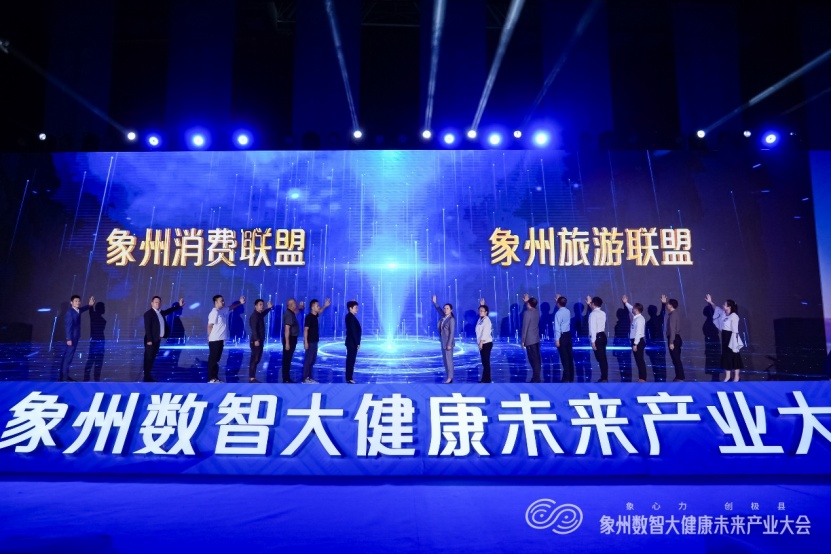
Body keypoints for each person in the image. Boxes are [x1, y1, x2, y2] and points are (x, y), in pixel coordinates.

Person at [143, 296, 185, 382]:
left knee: (152, 358)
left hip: (157, 340)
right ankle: (147, 377)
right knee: (148, 358)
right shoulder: (148, 314)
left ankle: (148, 376)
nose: (157, 304)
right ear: (152, 303)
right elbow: (148, 328)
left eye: (159, 302)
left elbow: (169, 311)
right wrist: (149, 340)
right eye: (156, 302)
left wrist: (179, 306)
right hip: (151, 341)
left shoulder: (161, 313)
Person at [206, 294, 245, 383]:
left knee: (216, 359)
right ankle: (211, 378)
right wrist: (209, 337)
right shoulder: (214, 312)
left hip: (220, 339)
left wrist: (240, 303)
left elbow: (230, 307)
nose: (223, 302)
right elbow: (209, 326)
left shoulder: (222, 310)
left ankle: (215, 378)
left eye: (223, 300)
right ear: (216, 302)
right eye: (221, 301)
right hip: (215, 339)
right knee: (213, 359)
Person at [60, 294, 95, 381]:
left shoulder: (77, 310)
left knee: (69, 357)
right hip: (71, 339)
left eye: (79, 301)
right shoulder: (70, 312)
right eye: (76, 301)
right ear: (71, 302)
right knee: (68, 358)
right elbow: (68, 326)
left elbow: (83, 309)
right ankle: (64, 378)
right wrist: (69, 339)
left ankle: (64, 376)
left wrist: (90, 305)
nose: (78, 302)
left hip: (75, 337)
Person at [302, 298, 331, 384]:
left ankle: (309, 377)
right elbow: (305, 330)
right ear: (312, 307)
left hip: (315, 341)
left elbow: (320, 311)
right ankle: (305, 378)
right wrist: (306, 342)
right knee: (308, 360)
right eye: (317, 305)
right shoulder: (309, 317)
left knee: (312, 360)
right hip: (310, 342)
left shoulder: (315, 315)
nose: (319, 307)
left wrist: (325, 306)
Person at [432, 295, 455, 384]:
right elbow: (439, 310)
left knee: (449, 361)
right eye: (444, 308)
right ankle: (448, 377)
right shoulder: (444, 317)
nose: (445, 310)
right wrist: (435, 303)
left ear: (451, 310)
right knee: (445, 361)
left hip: (448, 343)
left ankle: (450, 377)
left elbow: (452, 333)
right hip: (443, 342)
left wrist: (449, 344)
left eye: (447, 308)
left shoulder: (451, 319)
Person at [248, 299, 273, 383]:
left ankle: (252, 377)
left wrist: (269, 308)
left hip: (260, 340)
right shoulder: (254, 316)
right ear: (256, 306)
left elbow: (264, 313)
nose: (262, 306)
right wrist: (256, 339)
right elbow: (254, 329)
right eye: (260, 304)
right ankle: (251, 377)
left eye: (263, 304)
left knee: (257, 359)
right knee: (254, 359)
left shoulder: (259, 315)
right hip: (256, 341)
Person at [623, 295, 647, 382]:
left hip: (638, 341)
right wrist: (626, 303)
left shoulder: (639, 319)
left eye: (634, 308)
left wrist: (635, 344)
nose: (632, 309)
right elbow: (630, 309)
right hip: (636, 341)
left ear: (636, 310)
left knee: (640, 360)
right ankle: (641, 377)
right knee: (638, 360)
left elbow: (638, 332)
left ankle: (643, 378)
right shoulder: (636, 317)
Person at [281, 298, 305, 383]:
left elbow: (296, 312)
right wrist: (287, 343)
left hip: (292, 338)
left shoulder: (291, 313)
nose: (296, 304)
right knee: (287, 359)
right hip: (290, 339)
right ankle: (286, 378)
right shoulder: (288, 314)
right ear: (291, 305)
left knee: (288, 358)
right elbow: (287, 329)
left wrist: (301, 308)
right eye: (295, 303)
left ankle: (286, 378)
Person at [662, 294, 685, 382]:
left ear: (671, 305)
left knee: (676, 359)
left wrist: (671, 342)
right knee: (676, 359)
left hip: (674, 338)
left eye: (668, 304)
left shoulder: (673, 315)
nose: (667, 305)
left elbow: (672, 329)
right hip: (676, 338)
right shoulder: (674, 314)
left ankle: (680, 377)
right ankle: (678, 376)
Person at [586, 295, 608, 382]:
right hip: (603, 336)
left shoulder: (593, 314)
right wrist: (589, 304)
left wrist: (593, 341)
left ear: (593, 304)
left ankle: (604, 378)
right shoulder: (603, 313)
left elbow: (593, 328)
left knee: (601, 358)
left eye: (591, 303)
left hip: (597, 337)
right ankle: (604, 376)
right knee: (603, 358)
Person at [721, 299, 743, 382]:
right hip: (725, 336)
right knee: (726, 356)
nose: (723, 305)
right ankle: (728, 376)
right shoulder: (725, 314)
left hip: (731, 336)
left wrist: (735, 341)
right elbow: (716, 309)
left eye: (725, 304)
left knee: (734, 355)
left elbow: (735, 329)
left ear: (729, 306)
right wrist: (711, 302)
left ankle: (736, 376)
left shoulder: (734, 316)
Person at [554, 294, 575, 383]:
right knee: (569, 357)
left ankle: (566, 378)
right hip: (568, 335)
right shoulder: (568, 311)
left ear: (558, 303)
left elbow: (557, 327)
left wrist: (557, 339)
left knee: (564, 358)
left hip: (562, 336)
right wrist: (559, 301)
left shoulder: (558, 313)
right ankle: (571, 377)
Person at [521, 293, 542, 383]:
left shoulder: (527, 313)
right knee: (537, 358)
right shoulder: (537, 311)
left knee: (533, 359)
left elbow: (525, 327)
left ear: (529, 304)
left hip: (530, 340)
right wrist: (527, 302)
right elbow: (532, 308)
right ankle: (536, 377)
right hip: (536, 339)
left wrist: (523, 340)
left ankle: (536, 378)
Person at [475, 298, 493, 383]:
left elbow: (485, 331)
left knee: (486, 361)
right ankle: (485, 378)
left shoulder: (486, 320)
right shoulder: (481, 319)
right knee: (484, 362)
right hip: (482, 343)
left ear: (486, 312)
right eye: (480, 311)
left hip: (486, 343)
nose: (480, 312)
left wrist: (481, 342)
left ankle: (487, 379)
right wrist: (482, 305)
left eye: (482, 311)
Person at [345, 300, 362, 384]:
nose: (357, 309)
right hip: (352, 343)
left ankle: (349, 377)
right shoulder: (350, 317)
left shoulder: (350, 317)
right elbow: (354, 331)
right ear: (350, 308)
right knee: (350, 360)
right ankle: (349, 378)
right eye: (355, 308)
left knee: (351, 360)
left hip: (352, 342)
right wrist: (357, 342)